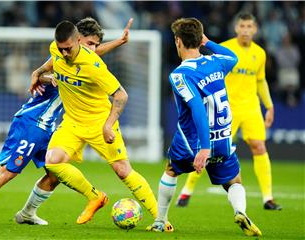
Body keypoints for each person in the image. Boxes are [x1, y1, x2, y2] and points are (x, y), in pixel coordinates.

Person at [0, 17, 133, 226]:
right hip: (33, 123)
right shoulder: (61, 60)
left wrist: (118, 42)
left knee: (55, 173)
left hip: (47, 126)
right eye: (90, 44)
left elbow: (92, 58)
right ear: (77, 41)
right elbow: (43, 74)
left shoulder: (85, 63)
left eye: (96, 45)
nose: (93, 49)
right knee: (11, 170)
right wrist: (42, 75)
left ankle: (27, 213)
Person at [27, 20, 174, 231]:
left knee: (123, 170)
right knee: (53, 162)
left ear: (78, 41)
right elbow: (53, 60)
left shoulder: (94, 66)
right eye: (61, 49)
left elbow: (121, 95)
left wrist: (108, 125)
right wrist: (37, 72)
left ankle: (162, 220)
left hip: (99, 121)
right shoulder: (58, 49)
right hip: (72, 122)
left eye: (68, 49)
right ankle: (95, 197)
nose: (65, 53)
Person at [146, 18, 262, 237]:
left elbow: (197, 109)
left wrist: (204, 148)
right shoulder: (216, 62)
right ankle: (240, 211)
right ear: (200, 39)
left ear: (178, 41)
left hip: (195, 142)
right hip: (223, 138)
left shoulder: (180, 74)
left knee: (171, 170)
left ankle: (160, 221)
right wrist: (207, 43)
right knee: (233, 180)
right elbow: (233, 57)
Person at [177, 13, 282, 211]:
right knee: (209, 151)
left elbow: (261, 80)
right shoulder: (225, 49)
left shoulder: (260, 53)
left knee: (259, 146)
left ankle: (268, 198)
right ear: (236, 28)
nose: (245, 30)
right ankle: (186, 191)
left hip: (251, 107)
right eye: (242, 26)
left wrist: (269, 106)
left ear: (255, 29)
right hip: (225, 109)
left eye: (249, 26)